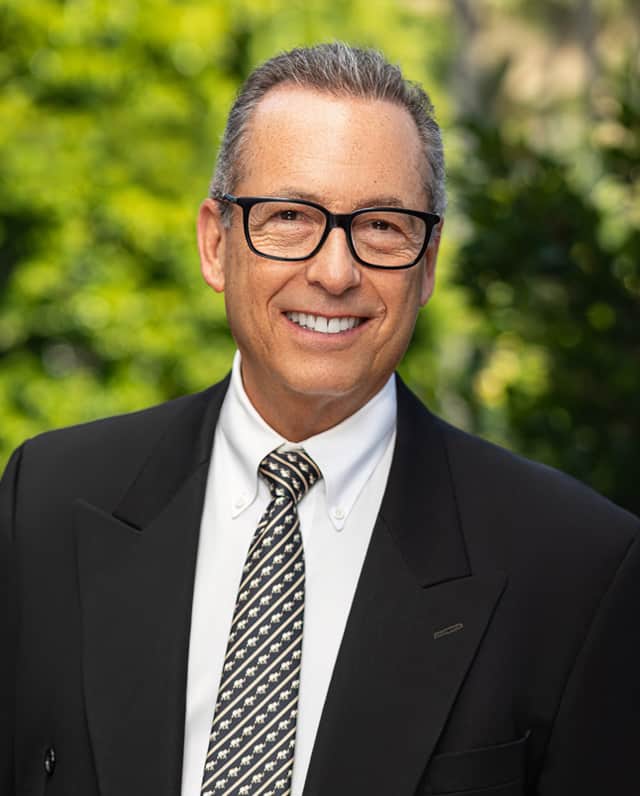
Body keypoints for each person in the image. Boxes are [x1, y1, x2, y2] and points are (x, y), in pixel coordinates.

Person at [1, 42, 639, 796]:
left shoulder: (577, 566)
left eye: (382, 227)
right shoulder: (42, 502)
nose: (335, 272)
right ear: (215, 242)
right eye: (290, 216)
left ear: (428, 262)